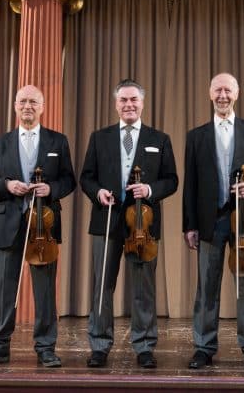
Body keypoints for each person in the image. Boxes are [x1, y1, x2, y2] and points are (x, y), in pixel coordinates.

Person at [0, 84, 77, 368]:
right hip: (10, 225)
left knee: (44, 291)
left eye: (33, 101)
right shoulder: (0, 143)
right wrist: (7, 185)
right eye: (22, 101)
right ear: (15, 106)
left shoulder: (58, 142)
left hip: (44, 226)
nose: (27, 106)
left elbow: (69, 180)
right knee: (4, 290)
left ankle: (45, 348)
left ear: (42, 107)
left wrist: (51, 189)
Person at [80, 79, 178, 369]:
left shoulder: (159, 139)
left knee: (143, 288)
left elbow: (171, 180)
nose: (129, 105)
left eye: (134, 99)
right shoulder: (99, 138)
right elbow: (86, 177)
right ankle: (99, 344)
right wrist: (97, 192)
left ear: (142, 103)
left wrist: (149, 191)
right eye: (123, 100)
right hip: (107, 220)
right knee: (102, 287)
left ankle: (144, 346)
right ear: (116, 104)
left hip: (142, 226)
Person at [183, 73, 244, 370]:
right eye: (218, 90)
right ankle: (204, 346)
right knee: (207, 287)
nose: (223, 95)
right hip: (210, 221)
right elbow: (191, 185)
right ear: (210, 94)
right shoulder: (196, 136)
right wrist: (189, 225)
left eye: (228, 90)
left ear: (237, 94)